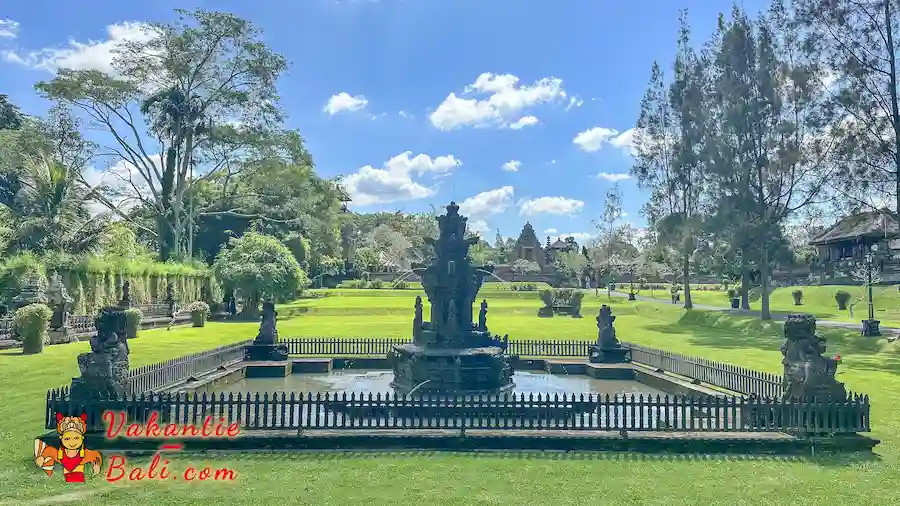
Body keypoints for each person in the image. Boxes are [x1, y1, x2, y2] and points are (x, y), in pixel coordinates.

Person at [34, 413, 102, 483]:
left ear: (82, 438)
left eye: (76, 438)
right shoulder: (56, 453)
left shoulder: (86, 454)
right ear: (61, 438)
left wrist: (97, 467)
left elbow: (96, 456)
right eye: (67, 438)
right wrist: (40, 458)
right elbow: (47, 451)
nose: (72, 442)